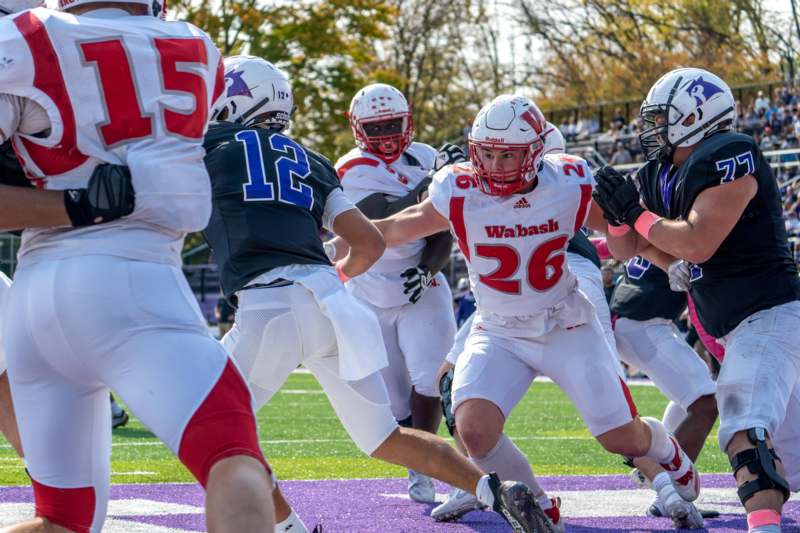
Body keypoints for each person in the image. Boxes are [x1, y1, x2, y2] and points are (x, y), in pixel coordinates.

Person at [204, 55, 552, 533]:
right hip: (334, 306)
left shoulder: (207, 147)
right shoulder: (314, 161)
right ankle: (498, 490)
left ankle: (287, 528)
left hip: (269, 304)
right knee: (386, 436)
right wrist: (329, 280)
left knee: (211, 426)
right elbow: (369, 242)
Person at [0, 4, 274, 532]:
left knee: (63, 520)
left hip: (36, 299)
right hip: (137, 282)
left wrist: (69, 200)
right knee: (235, 459)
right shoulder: (198, 46)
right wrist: (87, 201)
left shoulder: (25, 37)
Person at [374, 94, 700, 531]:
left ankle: (666, 449)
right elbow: (402, 224)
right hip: (499, 329)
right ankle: (539, 506)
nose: (494, 164)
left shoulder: (567, 181)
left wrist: (628, 225)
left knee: (619, 436)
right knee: (473, 429)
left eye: (507, 155)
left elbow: (625, 248)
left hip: (563, 322)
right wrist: (337, 241)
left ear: (535, 153)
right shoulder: (459, 188)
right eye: (486, 153)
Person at [594, 67, 800, 533]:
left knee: (742, 421)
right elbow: (631, 249)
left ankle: (763, 526)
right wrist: (620, 217)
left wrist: (639, 215)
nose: (650, 128)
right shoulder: (658, 172)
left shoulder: (731, 153)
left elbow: (698, 241)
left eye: (661, 117)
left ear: (696, 115)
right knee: (792, 455)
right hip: (738, 323)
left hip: (770, 315)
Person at [335, 83, 457, 502]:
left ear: (408, 122)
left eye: (393, 124)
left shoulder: (426, 156)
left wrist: (427, 269)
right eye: (377, 127)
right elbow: (380, 216)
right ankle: (417, 457)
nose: (386, 134)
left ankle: (423, 467)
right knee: (390, 396)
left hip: (421, 284)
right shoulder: (352, 167)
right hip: (367, 288)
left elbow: (442, 228)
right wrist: (434, 182)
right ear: (358, 129)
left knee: (430, 376)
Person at [610, 251, 718, 528]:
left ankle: (656, 465)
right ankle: (670, 492)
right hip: (643, 323)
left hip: (637, 319)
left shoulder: (664, 224)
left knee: (692, 398)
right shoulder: (687, 228)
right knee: (705, 404)